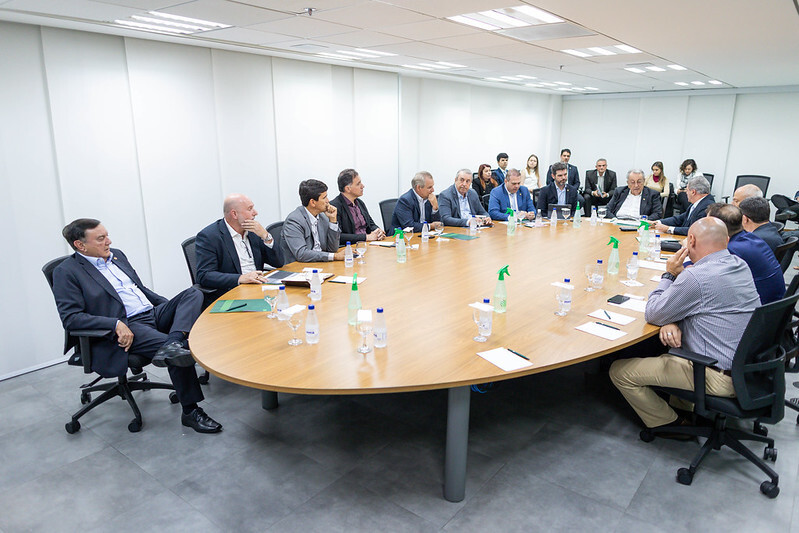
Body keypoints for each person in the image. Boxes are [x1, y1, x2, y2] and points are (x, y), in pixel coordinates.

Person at [53, 219, 222, 433]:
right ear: (80, 245)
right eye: (101, 238)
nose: (108, 241)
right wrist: (114, 324)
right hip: (127, 325)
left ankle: (172, 342)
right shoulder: (66, 272)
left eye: (107, 235)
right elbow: (71, 318)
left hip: (151, 313)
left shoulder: (117, 255)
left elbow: (139, 290)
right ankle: (190, 411)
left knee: (194, 292)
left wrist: (169, 307)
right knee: (179, 352)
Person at [609, 217, 760, 434]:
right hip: (747, 368)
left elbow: (653, 313)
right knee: (667, 347)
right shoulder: (739, 265)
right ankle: (686, 407)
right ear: (726, 240)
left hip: (716, 374)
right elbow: (706, 304)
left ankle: (671, 424)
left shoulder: (696, 277)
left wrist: (669, 274)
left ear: (691, 240)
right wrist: (672, 319)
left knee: (620, 371)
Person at [195, 194, 284, 307]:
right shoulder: (210, 236)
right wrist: (241, 278)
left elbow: (279, 262)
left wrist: (266, 236)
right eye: (250, 209)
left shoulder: (253, 232)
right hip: (231, 295)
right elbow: (204, 275)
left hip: (259, 289)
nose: (255, 213)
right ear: (234, 214)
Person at [706, 203, 785, 304]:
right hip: (773, 308)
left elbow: (704, 281)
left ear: (716, 228)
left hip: (756, 313)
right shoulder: (753, 238)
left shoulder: (730, 251)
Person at [281, 179, 346, 263]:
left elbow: (332, 249)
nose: (328, 201)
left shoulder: (323, 217)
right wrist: (335, 256)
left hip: (320, 264)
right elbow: (302, 254)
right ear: (312, 202)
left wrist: (333, 220)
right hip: (300, 268)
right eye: (324, 197)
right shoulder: (294, 221)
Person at [328, 168, 385, 245]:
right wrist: (366, 237)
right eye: (358, 184)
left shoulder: (360, 203)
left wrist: (378, 231)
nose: (363, 186)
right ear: (348, 188)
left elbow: (371, 224)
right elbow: (338, 236)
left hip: (368, 245)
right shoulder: (335, 206)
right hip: (350, 248)